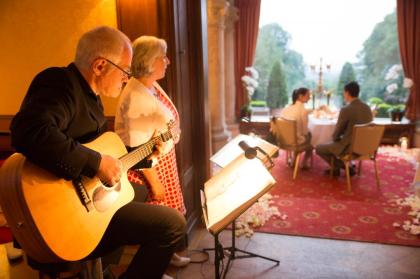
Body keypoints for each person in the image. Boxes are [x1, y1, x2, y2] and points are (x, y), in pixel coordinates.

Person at [10, 26, 186, 279]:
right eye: (125, 70)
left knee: (138, 191)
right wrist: (96, 163)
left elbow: (105, 154)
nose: (127, 78)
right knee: (172, 225)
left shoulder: (92, 96)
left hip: (87, 200)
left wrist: (146, 155)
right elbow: (30, 132)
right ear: (100, 66)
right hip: (62, 216)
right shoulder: (59, 84)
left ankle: (103, 269)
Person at [114, 35, 190, 270]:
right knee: (159, 216)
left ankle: (169, 255)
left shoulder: (150, 84)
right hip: (150, 168)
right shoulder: (136, 96)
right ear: (148, 61)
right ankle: (157, 268)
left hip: (164, 159)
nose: (167, 61)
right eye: (162, 57)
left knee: (172, 209)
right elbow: (137, 149)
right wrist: (155, 185)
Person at [315, 81, 373, 176]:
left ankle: (342, 166)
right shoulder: (367, 108)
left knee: (319, 148)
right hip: (366, 146)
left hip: (350, 149)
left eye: (344, 92)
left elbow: (338, 132)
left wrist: (335, 140)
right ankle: (337, 168)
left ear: (347, 93)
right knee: (333, 146)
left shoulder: (347, 109)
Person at [279, 87, 312, 169]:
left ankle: (294, 160)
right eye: (308, 95)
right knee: (312, 139)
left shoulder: (286, 108)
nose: (310, 97)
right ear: (300, 96)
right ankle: (304, 163)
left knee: (299, 135)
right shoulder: (302, 110)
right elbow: (304, 132)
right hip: (296, 143)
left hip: (283, 141)